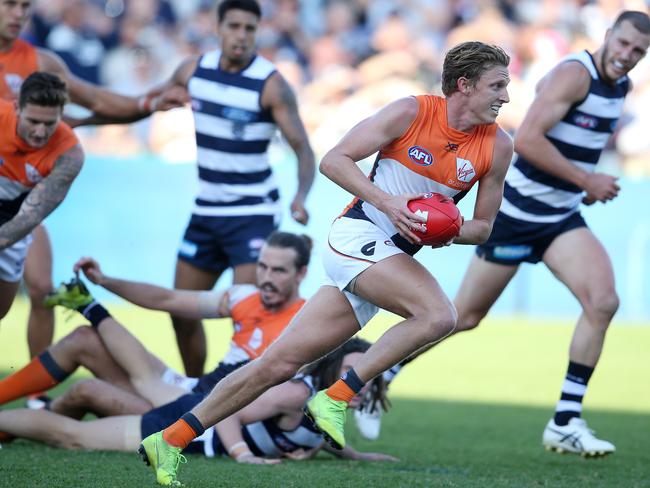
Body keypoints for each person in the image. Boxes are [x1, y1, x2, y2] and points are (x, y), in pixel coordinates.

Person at [138, 40, 514, 486]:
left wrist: (445, 228)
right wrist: (389, 204)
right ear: (465, 85)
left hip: (389, 256)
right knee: (438, 315)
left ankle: (169, 439)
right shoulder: (410, 112)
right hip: (356, 235)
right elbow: (334, 160)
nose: (506, 97)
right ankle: (336, 397)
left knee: (274, 367)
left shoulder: (498, 146)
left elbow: (483, 228)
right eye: (498, 85)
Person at [447, 10, 650, 457]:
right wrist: (586, 180)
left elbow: (573, 144)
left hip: (560, 218)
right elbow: (529, 140)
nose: (627, 55)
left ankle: (566, 420)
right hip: (518, 213)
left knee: (603, 302)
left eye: (638, 51)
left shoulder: (621, 87)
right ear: (608, 35)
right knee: (461, 318)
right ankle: (377, 375)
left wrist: (581, 185)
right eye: (623, 44)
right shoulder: (574, 74)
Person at [129, 0, 315, 377]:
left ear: (257, 32)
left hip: (252, 215)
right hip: (206, 212)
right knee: (180, 311)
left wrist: (300, 196)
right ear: (218, 28)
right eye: (235, 27)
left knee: (246, 317)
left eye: (250, 28)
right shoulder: (193, 70)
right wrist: (152, 103)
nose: (242, 36)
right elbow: (150, 101)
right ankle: (197, 393)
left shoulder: (272, 84)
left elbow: (304, 151)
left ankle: (240, 407)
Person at [0, 0, 186, 362]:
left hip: (22, 199)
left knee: (38, 287)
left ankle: (36, 392)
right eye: (10, 4)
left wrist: (147, 102)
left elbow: (94, 103)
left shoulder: (42, 66)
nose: (19, 13)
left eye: (25, 6)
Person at [0, 231, 313, 416]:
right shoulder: (244, 296)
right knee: (83, 339)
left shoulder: (307, 321)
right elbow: (166, 300)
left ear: (301, 274)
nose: (266, 279)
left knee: (87, 390)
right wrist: (106, 280)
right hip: (183, 389)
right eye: (262, 267)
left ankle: (25, 421)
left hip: (204, 413)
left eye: (279, 271)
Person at [0, 337, 396, 465]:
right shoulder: (297, 394)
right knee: (74, 437)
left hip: (192, 428)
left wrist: (356, 457)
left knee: (86, 411)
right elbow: (233, 409)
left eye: (364, 375)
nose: (357, 382)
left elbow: (318, 434)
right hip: (186, 428)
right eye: (349, 372)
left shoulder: (327, 405)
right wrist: (244, 455)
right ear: (330, 372)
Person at [0, 72, 84, 342]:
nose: (40, 131)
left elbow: (31, 216)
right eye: (33, 121)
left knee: (7, 307)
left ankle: (37, 384)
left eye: (50, 123)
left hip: (13, 223)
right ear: (17, 107)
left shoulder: (69, 154)